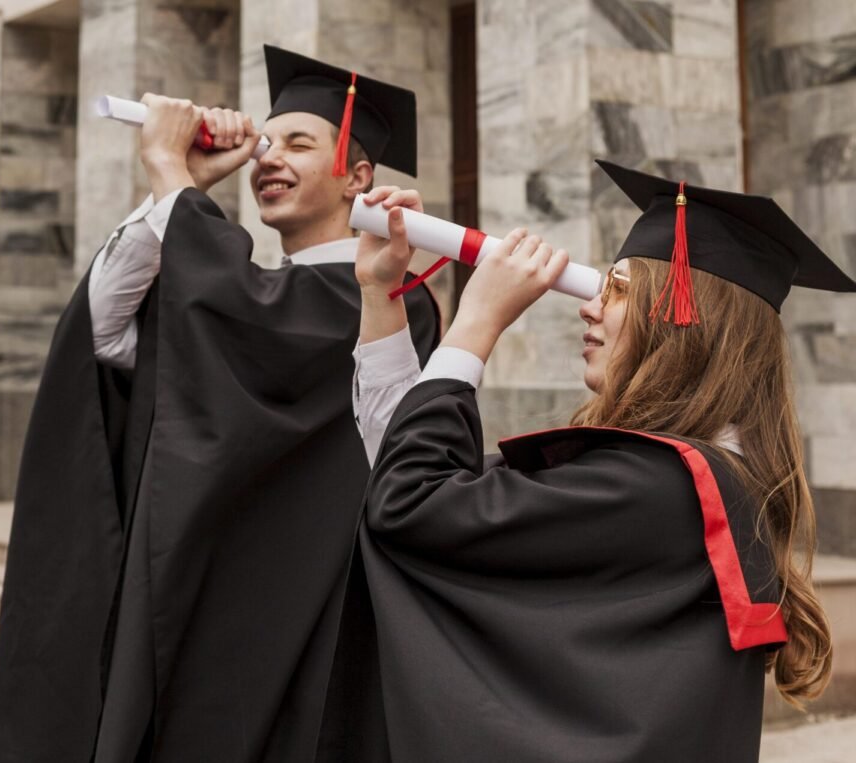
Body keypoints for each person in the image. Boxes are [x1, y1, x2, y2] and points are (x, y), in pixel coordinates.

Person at [0, 46, 439, 762]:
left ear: (357, 175)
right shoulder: (240, 300)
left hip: (319, 627)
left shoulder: (388, 302)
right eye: (265, 142)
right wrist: (187, 183)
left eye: (298, 143)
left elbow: (248, 310)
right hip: (214, 608)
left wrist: (172, 178)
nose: (269, 158)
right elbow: (104, 330)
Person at [316, 162, 842, 762]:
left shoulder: (663, 485)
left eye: (618, 291)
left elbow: (410, 506)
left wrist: (477, 322)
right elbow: (415, 487)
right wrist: (383, 295)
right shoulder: (690, 480)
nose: (589, 308)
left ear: (685, 323)